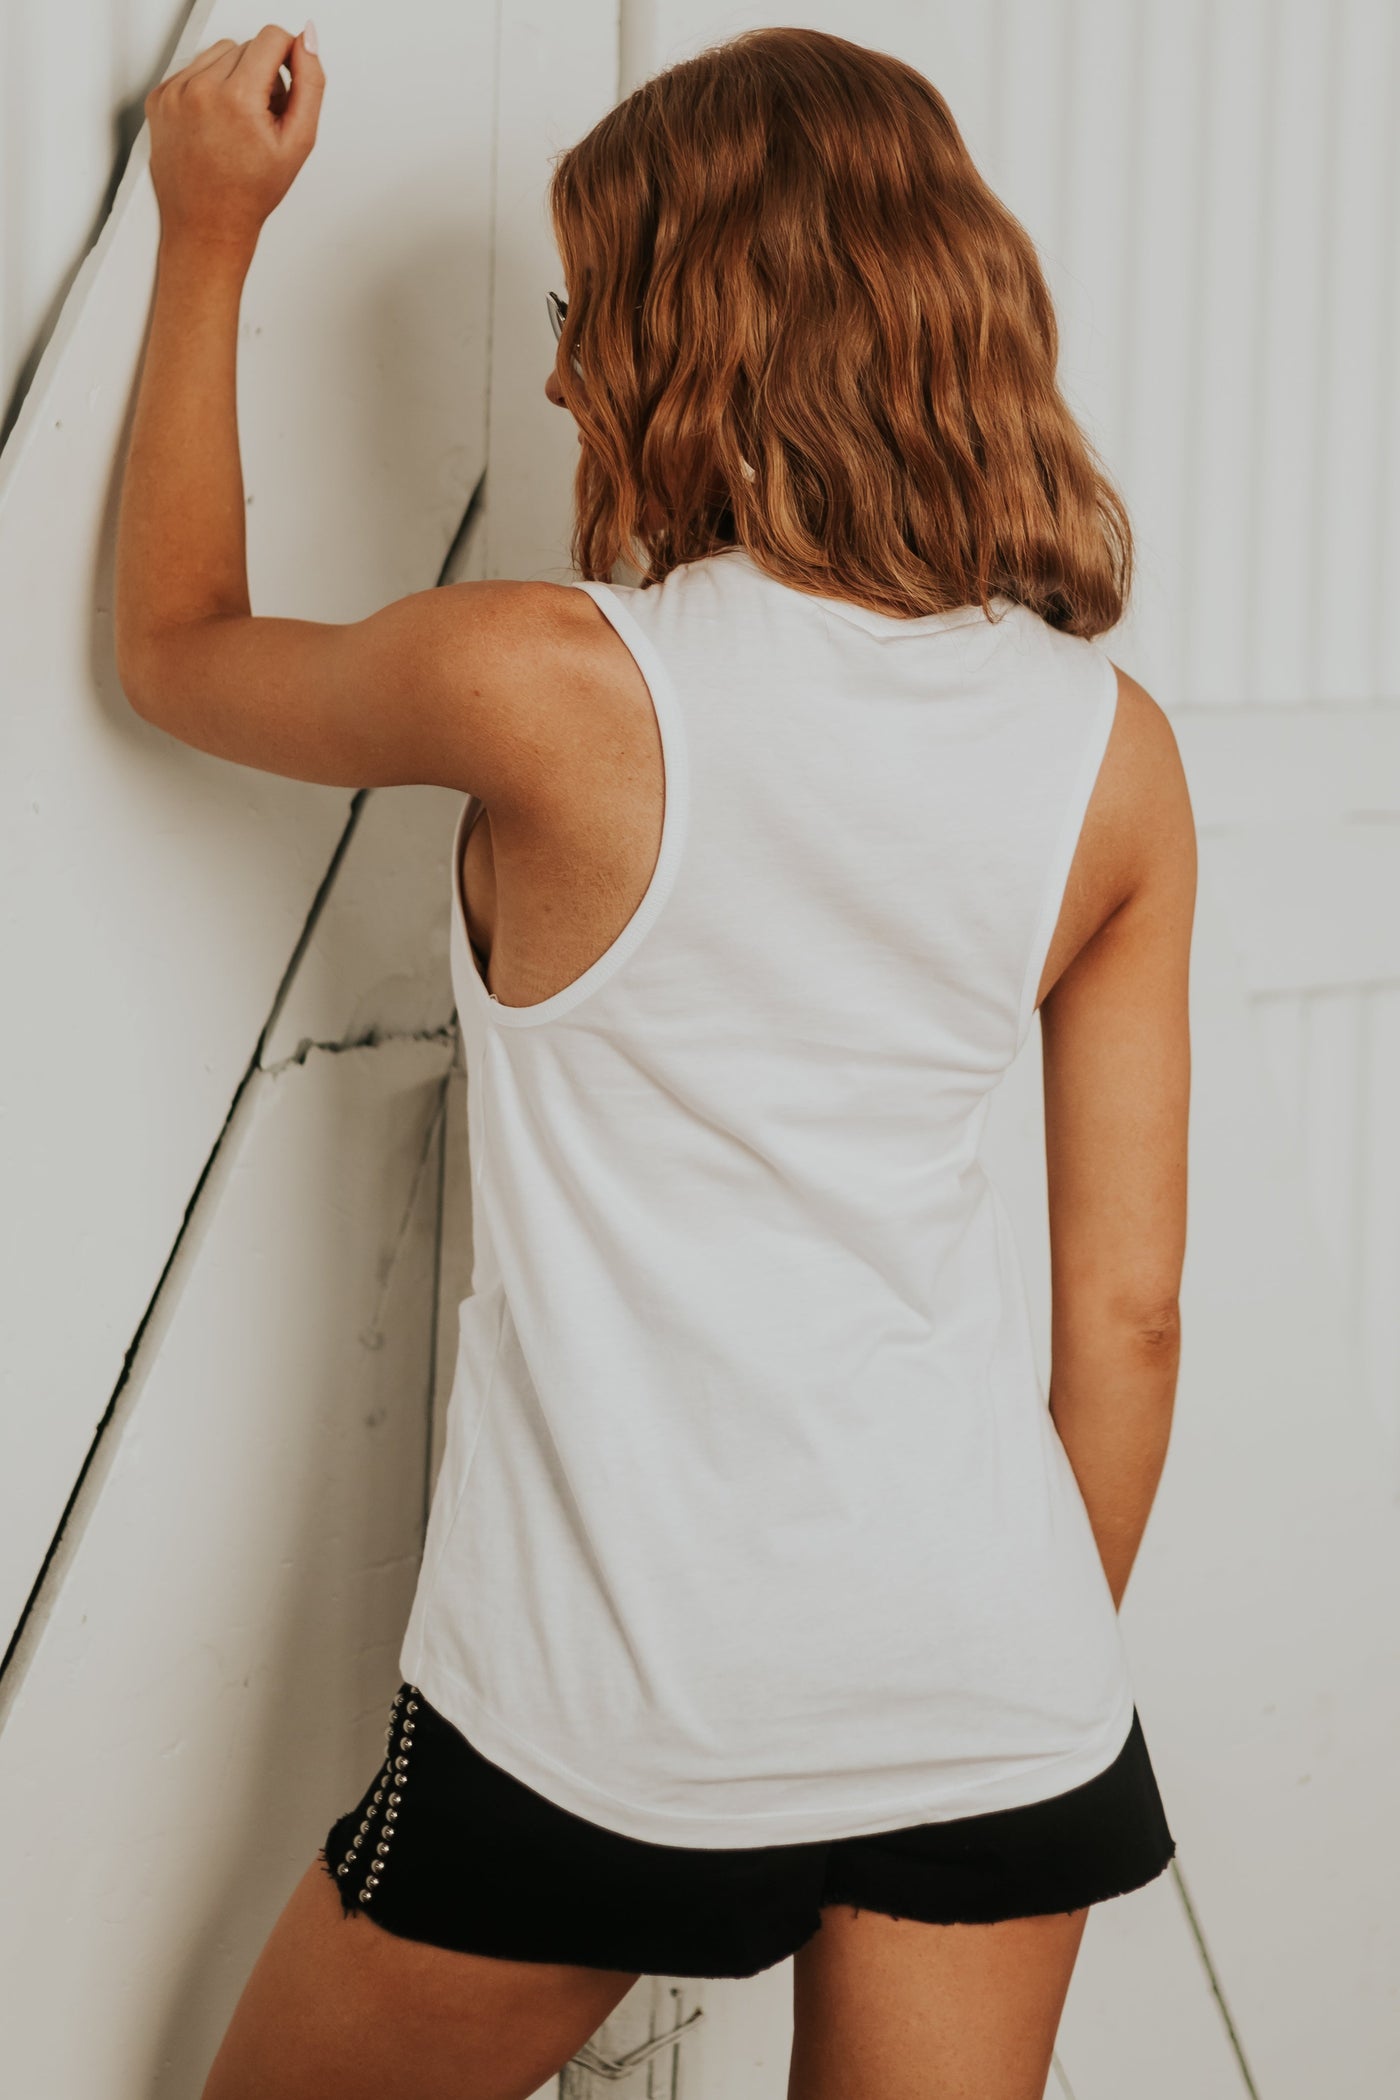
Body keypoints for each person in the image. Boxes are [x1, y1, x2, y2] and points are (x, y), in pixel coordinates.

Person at [117, 21, 1195, 2100]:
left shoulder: (547, 682)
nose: (550, 371)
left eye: (579, 309)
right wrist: (967, 1691)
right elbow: (1130, 1322)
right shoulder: (1110, 753)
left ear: (691, 325)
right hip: (998, 1687)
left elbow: (173, 645)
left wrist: (203, 233)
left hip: (624, 1707)